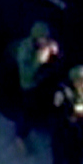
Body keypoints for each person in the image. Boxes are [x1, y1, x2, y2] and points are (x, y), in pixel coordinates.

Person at [11, 24, 61, 154]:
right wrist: (38, 60)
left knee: (34, 111)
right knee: (26, 112)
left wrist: (53, 51)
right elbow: (27, 73)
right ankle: (19, 137)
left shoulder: (42, 45)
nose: (45, 41)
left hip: (39, 82)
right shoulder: (25, 50)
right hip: (28, 84)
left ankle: (29, 130)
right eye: (42, 38)